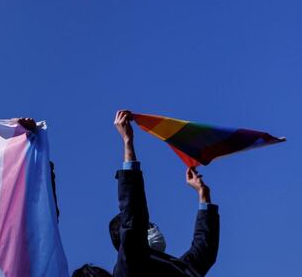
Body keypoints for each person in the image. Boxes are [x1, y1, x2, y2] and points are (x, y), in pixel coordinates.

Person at [73, 110, 220, 277]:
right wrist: (128, 143)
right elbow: (133, 214)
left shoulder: (177, 268)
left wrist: (204, 197)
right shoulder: (129, 265)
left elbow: (204, 252)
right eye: (146, 226)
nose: (151, 229)